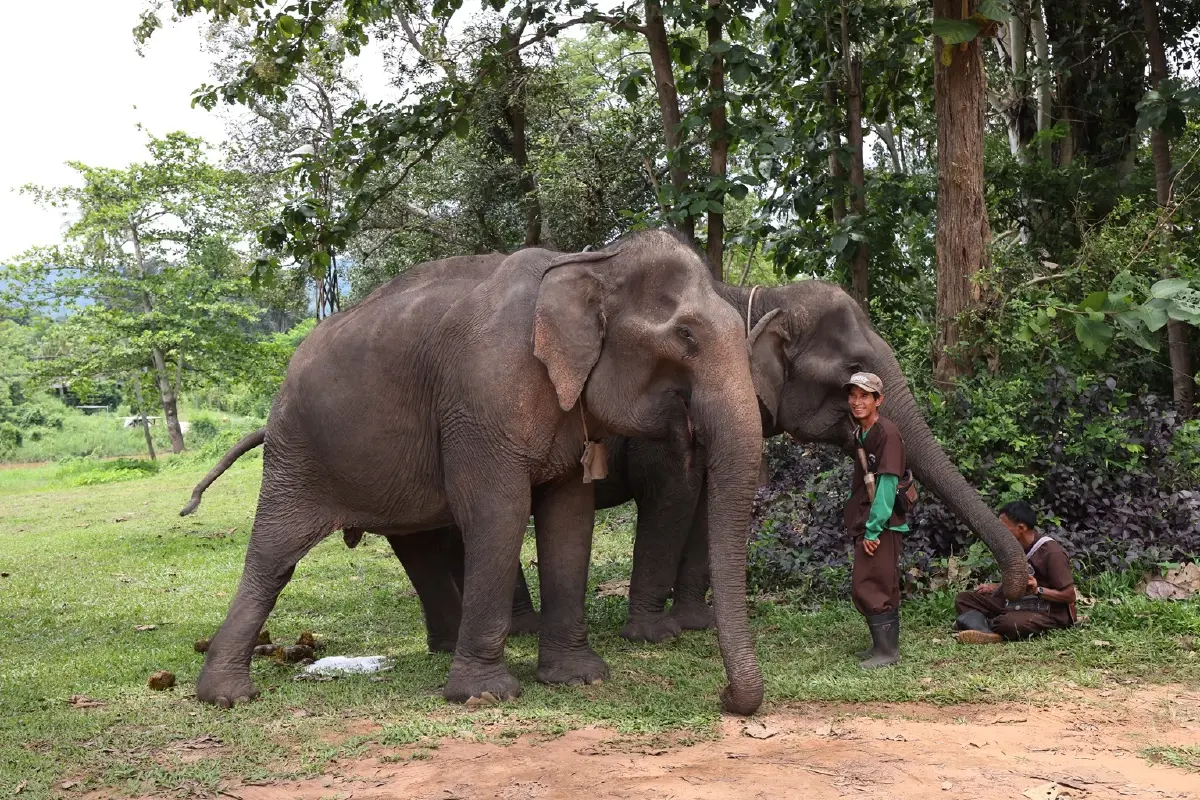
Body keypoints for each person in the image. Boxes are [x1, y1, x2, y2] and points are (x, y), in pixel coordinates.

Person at [843, 372, 910, 669]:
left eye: (864, 396)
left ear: (878, 400)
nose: (857, 402)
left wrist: (873, 529)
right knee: (881, 582)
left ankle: (887, 652)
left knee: (869, 584)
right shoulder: (862, 431)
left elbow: (887, 484)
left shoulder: (888, 434)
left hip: (881, 522)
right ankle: (882, 646)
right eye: (853, 395)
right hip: (869, 518)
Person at [954, 500, 1077, 644]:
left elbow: (1070, 595)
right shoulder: (1013, 548)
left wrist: (1037, 590)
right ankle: (984, 627)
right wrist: (995, 587)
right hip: (1015, 604)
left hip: (1045, 611)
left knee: (1008, 623)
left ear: (1021, 528)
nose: (1000, 533)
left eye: (1003, 528)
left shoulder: (1052, 552)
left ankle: (980, 625)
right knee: (964, 599)